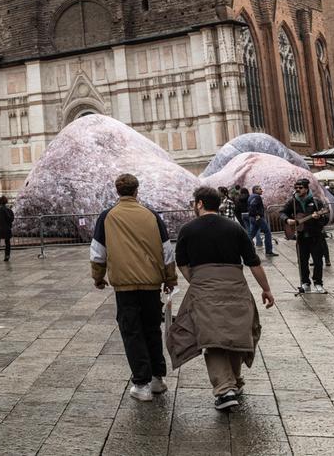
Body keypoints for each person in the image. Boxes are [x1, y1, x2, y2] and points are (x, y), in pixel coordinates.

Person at [169, 186, 275, 411]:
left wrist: (196, 281)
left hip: (204, 287)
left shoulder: (187, 229)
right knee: (235, 335)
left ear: (199, 203)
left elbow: (182, 263)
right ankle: (233, 383)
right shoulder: (234, 228)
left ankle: (225, 389)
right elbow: (253, 261)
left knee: (212, 339)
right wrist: (266, 289)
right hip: (235, 285)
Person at [90, 173, 176, 403]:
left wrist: (97, 277)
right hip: (151, 283)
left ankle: (141, 383)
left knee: (132, 331)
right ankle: (158, 378)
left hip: (125, 286)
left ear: (117, 192)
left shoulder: (107, 217)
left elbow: (98, 252)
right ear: (137, 191)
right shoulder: (152, 215)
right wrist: (170, 279)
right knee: (152, 329)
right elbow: (167, 251)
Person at [280, 178, 330, 294]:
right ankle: (305, 283)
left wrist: (320, 217)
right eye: (296, 188)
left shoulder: (316, 202)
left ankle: (318, 283)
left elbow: (326, 219)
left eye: (300, 188)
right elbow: (282, 213)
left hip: (315, 236)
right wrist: (287, 220)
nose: (298, 190)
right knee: (302, 261)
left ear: (307, 189)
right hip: (301, 237)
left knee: (318, 261)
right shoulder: (292, 202)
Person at [246, 185, 276, 257]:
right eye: (259, 189)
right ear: (255, 190)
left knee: (251, 234)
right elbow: (253, 206)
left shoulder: (251, 196)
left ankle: (243, 248)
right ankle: (269, 251)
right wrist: (257, 215)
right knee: (267, 232)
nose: (261, 190)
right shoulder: (257, 197)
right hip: (257, 218)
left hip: (252, 218)